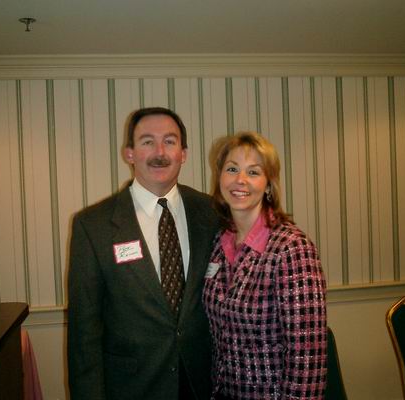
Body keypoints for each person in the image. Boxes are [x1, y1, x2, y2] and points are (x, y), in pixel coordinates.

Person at [67, 107, 219, 400]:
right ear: (130, 153)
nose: (159, 152)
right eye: (147, 141)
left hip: (203, 383)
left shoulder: (211, 212)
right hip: (132, 387)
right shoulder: (94, 226)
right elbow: (83, 333)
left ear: (184, 154)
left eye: (170, 141)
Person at [203, 131, 327, 400]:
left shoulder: (291, 248)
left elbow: (307, 357)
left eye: (253, 172)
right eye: (232, 169)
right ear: (220, 178)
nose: (240, 180)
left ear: (268, 185)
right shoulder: (218, 243)